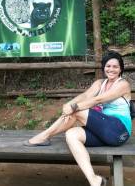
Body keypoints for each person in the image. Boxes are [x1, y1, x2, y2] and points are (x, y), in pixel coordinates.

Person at [24, 51, 132, 186]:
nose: (111, 69)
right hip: (105, 129)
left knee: (77, 111)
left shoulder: (123, 84)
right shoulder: (100, 83)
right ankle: (94, 180)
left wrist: (74, 107)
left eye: (115, 66)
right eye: (108, 66)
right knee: (71, 134)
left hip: (119, 130)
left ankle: (44, 136)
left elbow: (98, 99)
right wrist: (69, 104)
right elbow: (86, 96)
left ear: (121, 69)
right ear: (103, 67)